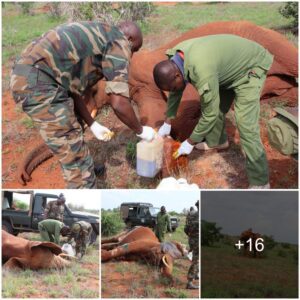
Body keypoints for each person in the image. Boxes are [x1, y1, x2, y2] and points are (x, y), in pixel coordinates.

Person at [10, 21, 156, 189]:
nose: (131, 55)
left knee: (72, 126)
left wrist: (92, 123)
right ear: (129, 38)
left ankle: (85, 166)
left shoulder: (99, 32)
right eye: (134, 49)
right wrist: (141, 130)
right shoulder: (119, 42)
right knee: (74, 156)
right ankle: (83, 183)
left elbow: (71, 87)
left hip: (29, 74)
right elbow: (119, 103)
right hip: (38, 84)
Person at [153, 35, 274, 189]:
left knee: (245, 124)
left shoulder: (202, 70)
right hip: (227, 70)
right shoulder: (175, 60)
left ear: (177, 75)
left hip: (249, 68)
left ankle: (261, 182)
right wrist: (168, 121)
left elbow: (210, 114)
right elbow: (176, 90)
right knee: (210, 104)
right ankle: (217, 141)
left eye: (173, 87)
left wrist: (190, 142)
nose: (173, 91)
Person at [184, 200, 199, 289]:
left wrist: (191, 236)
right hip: (198, 240)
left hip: (192, 240)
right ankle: (189, 282)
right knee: (196, 260)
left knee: (196, 257)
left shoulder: (191, 215)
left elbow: (186, 229)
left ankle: (196, 274)